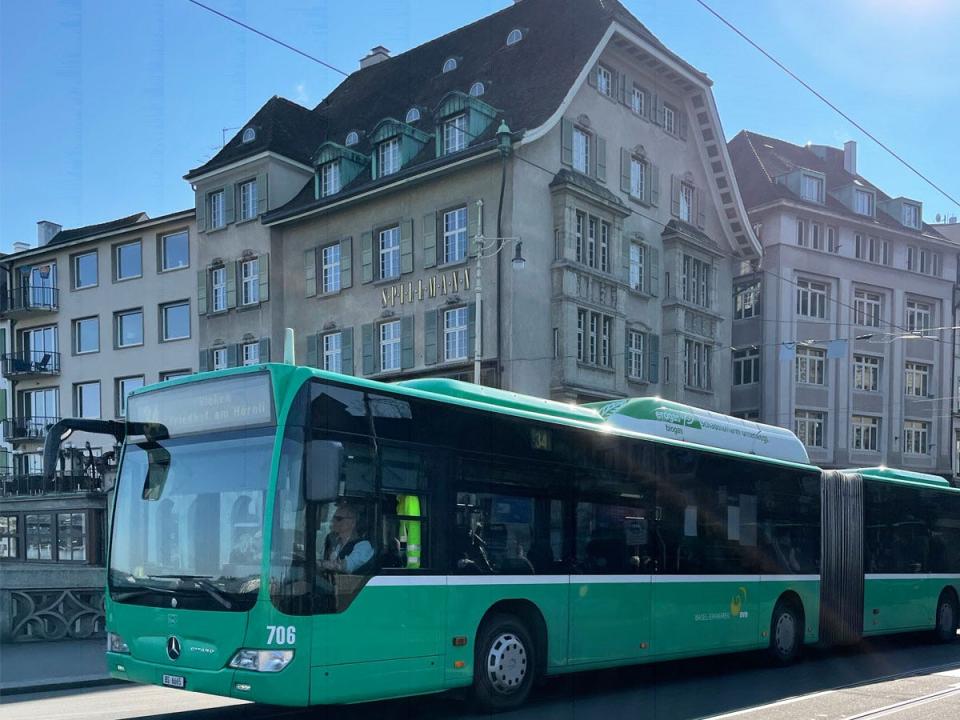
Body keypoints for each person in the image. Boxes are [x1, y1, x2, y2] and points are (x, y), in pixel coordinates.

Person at [319, 503, 374, 574]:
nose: (333, 521)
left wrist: (322, 563)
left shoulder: (364, 546)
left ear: (353, 523)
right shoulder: (333, 541)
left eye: (339, 519)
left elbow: (347, 566)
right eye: (333, 518)